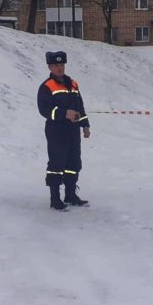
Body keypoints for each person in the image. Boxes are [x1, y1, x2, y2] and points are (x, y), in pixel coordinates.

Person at [37, 51, 91, 211]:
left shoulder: (73, 84)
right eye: (56, 65)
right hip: (56, 131)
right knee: (56, 164)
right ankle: (55, 199)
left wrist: (85, 124)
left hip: (73, 131)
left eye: (61, 65)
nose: (59, 68)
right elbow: (44, 109)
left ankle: (70, 195)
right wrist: (64, 113)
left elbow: (79, 107)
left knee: (73, 163)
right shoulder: (46, 86)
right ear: (49, 67)